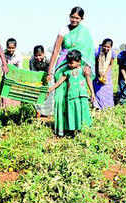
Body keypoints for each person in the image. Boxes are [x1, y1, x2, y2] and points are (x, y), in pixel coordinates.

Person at [46, 6, 95, 136]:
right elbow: (56, 50)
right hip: (63, 66)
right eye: (72, 17)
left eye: (77, 18)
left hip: (79, 68)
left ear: (82, 19)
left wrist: (87, 66)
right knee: (61, 98)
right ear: (69, 16)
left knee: (77, 98)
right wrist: (50, 71)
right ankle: (63, 127)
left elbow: (89, 51)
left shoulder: (85, 32)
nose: (74, 20)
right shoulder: (64, 30)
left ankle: (79, 126)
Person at [48, 50, 94, 136]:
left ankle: (84, 129)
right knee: (73, 113)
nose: (69, 65)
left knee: (83, 112)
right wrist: (51, 89)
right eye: (68, 62)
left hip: (82, 96)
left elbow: (89, 81)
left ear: (79, 62)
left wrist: (92, 93)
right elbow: (59, 82)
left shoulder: (84, 70)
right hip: (71, 96)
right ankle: (73, 130)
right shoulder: (67, 72)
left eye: (71, 63)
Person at [29, 45, 53, 117]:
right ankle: (39, 111)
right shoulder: (32, 60)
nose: (38, 58)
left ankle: (49, 113)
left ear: (44, 53)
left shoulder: (49, 58)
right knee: (38, 93)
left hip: (49, 74)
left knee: (50, 93)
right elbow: (33, 73)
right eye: (36, 56)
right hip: (38, 74)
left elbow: (52, 71)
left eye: (40, 55)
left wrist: (48, 76)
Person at [93, 38, 116, 110]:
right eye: (104, 46)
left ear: (111, 47)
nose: (106, 48)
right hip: (97, 72)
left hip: (107, 72)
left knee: (107, 88)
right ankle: (98, 106)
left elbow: (110, 64)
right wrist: (99, 74)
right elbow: (94, 63)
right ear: (102, 45)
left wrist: (105, 74)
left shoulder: (112, 53)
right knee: (98, 90)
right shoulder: (97, 51)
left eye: (108, 47)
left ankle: (108, 106)